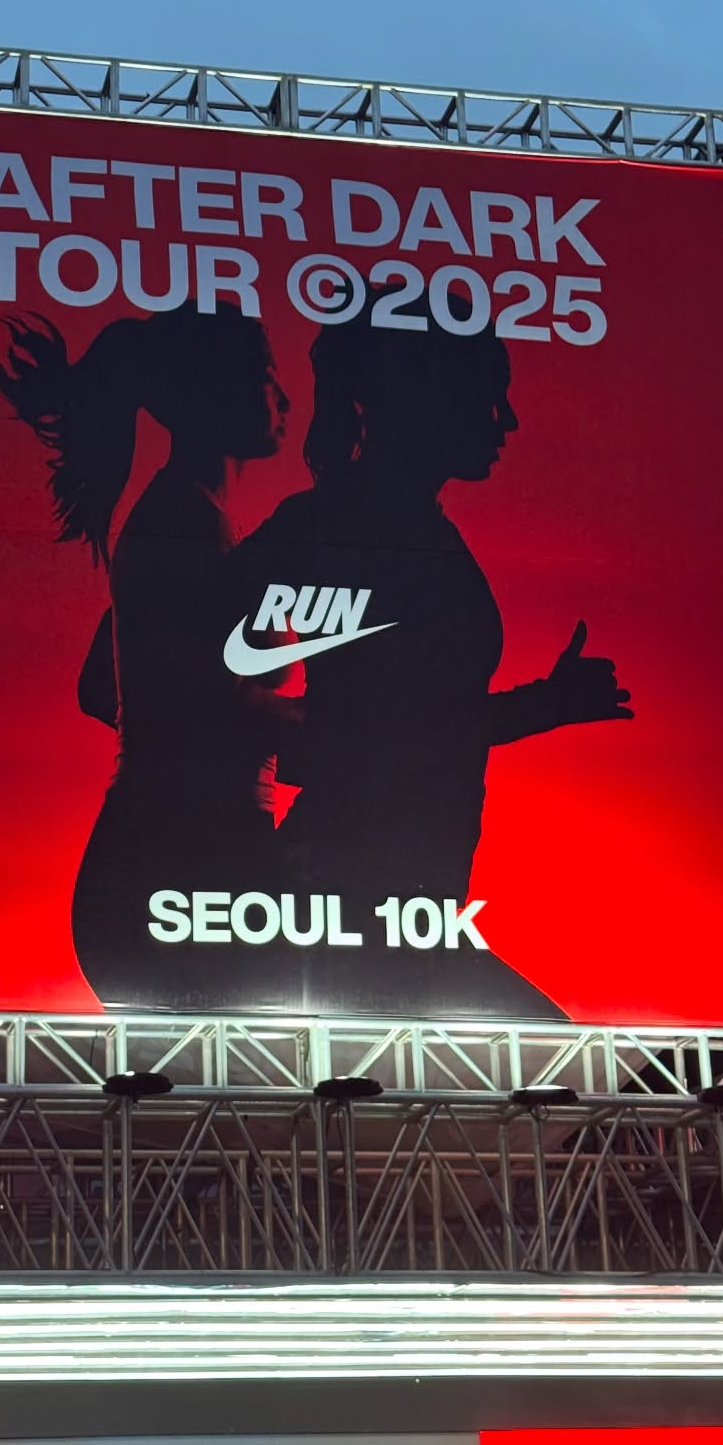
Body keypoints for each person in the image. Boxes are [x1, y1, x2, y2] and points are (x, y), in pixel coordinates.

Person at [252, 287, 633, 1018]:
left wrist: (546, 704)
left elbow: (418, 722)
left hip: (411, 907)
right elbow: (402, 730)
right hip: (341, 896)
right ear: (419, 398)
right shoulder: (328, 522)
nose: (507, 420)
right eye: (487, 396)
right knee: (559, 1066)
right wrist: (296, 756)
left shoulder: (417, 530)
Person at [0, 300, 295, 1009]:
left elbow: (104, 688)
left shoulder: (189, 520)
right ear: (216, 390)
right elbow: (219, 704)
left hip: (183, 859)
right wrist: (372, 729)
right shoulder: (183, 525)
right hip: (176, 870)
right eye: (266, 376)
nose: (284, 399)